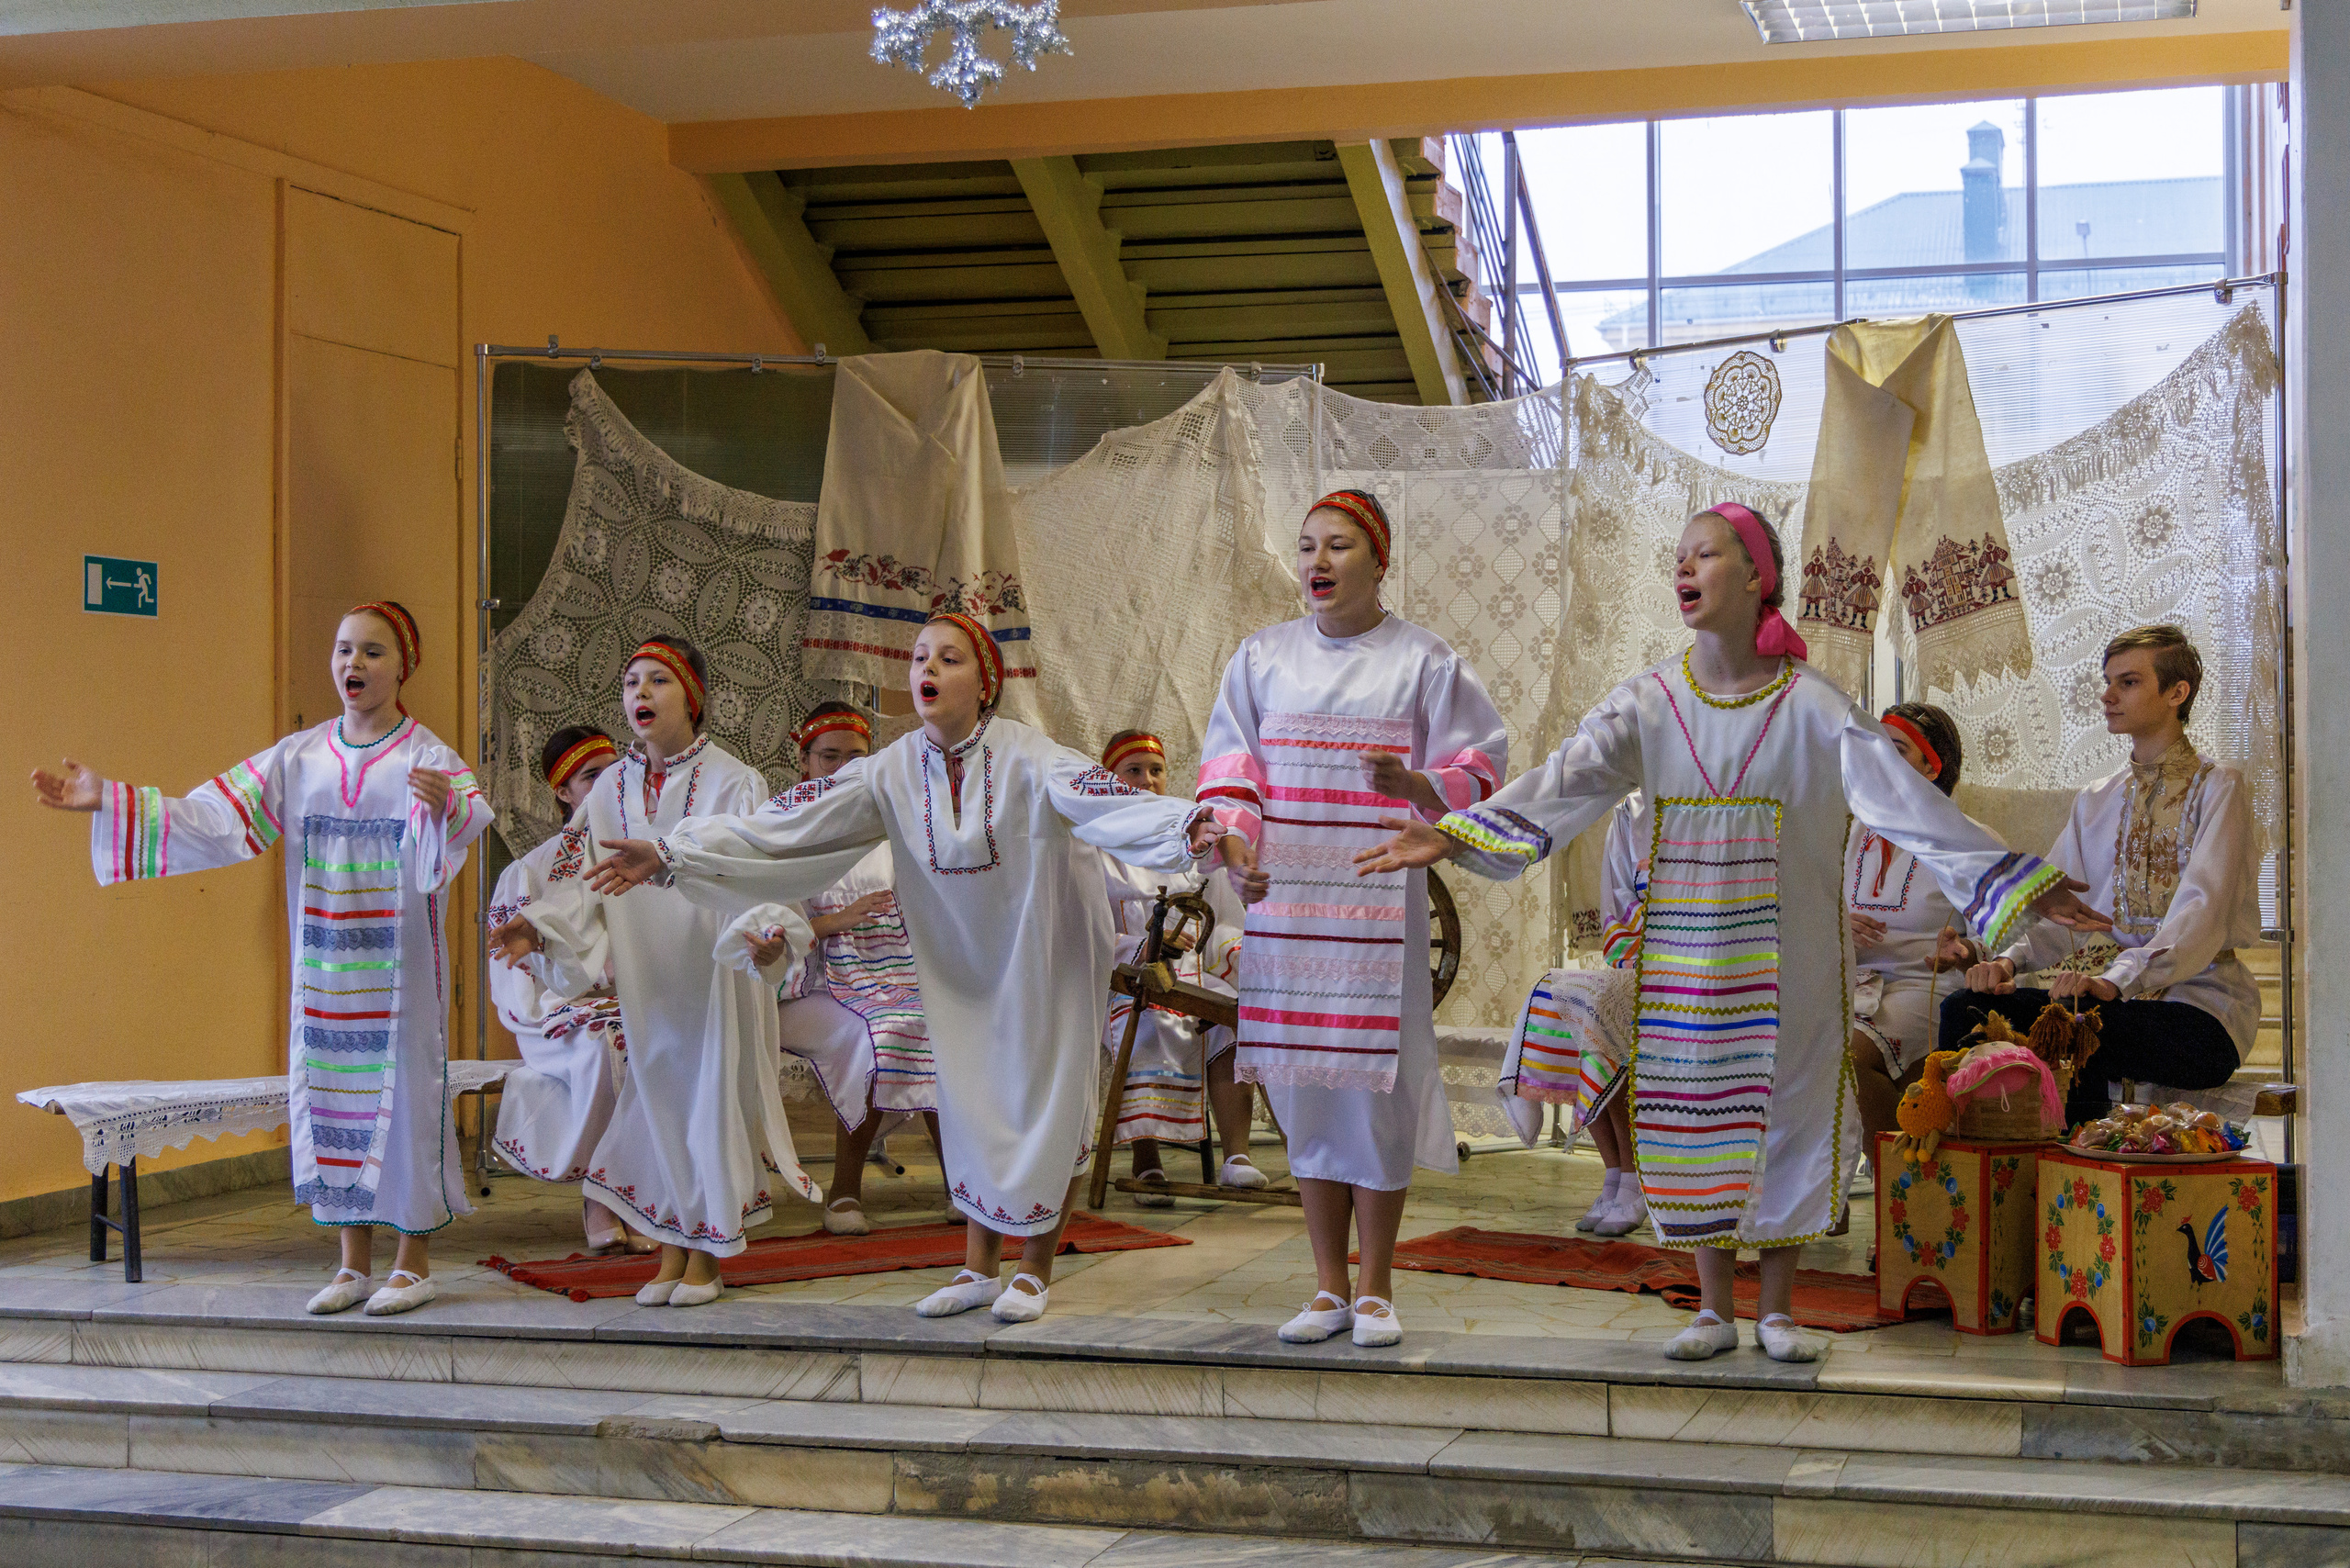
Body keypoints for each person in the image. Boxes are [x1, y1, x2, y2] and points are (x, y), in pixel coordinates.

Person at [1355, 502, 2108, 1362]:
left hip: (1791, 964)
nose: (1685, 569)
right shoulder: (1650, 704)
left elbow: (1909, 807)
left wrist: (2019, 880)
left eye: (1705, 555)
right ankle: (1713, 1308)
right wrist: (1449, 827)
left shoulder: (1817, 708)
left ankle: (1779, 1309)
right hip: (1687, 960)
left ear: (1757, 577)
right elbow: (1559, 787)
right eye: (1678, 557)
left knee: (1789, 1114)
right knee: (1689, 1115)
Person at [570, 611, 1226, 1324]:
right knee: (972, 1103)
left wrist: (1186, 825)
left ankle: (1034, 1269)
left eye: (948, 659)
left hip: (1040, 958)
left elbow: (1107, 803)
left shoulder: (1030, 755)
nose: (927, 670)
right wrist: (672, 854)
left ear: (986, 682)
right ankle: (978, 1268)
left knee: (1044, 1104)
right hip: (957, 969)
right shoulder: (891, 769)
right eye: (919, 658)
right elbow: (790, 822)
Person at [33, 601, 491, 1316]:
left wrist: (444, 810)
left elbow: (466, 826)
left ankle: (413, 1261)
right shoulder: (298, 757)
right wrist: (112, 803)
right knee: (335, 1104)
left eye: (372, 652)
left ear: (403, 666)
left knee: (401, 1105)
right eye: (343, 650)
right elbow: (217, 818)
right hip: (323, 974)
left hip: (398, 981)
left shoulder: (426, 756)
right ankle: (351, 1264)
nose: (353, 665)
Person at [1199, 487, 1507, 1350]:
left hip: (1379, 903)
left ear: (1379, 560)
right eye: (1306, 547)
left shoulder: (1424, 661)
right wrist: (1237, 846)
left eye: (1338, 546)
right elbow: (1233, 768)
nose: (1318, 563)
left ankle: (1377, 1288)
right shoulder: (1261, 658)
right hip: (1288, 908)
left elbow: (1483, 759)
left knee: (1375, 1095)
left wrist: (1424, 789)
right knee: (1305, 1091)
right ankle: (1326, 1287)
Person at [489, 637, 817, 1307]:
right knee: (662, 1105)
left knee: (707, 1103)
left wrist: (762, 934)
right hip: (649, 975)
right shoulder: (611, 787)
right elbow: (581, 879)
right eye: (632, 680)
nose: (641, 693)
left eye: (659, 680)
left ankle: (709, 1256)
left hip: (712, 967)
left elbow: (756, 868)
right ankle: (673, 1250)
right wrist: (539, 927)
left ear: (692, 696)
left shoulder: (735, 780)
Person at [1941, 625, 2258, 1124]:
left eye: (2127, 682)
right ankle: (1990, 1178)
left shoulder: (2220, 788)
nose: (2107, 696)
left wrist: (2115, 980)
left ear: (2178, 693)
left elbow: (2204, 911)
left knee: (2081, 1024)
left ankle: (2076, 1170)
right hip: (2101, 1004)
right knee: (1966, 1010)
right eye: (2107, 681)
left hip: (2199, 1011)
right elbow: (2060, 911)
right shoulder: (2096, 799)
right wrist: (2002, 962)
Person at [742, 701, 940, 1237]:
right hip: (798, 985)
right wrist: (838, 922)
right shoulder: (782, 822)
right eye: (829, 757)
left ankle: (962, 1185)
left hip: (885, 974)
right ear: (803, 760)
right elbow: (768, 924)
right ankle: (845, 1192)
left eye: (857, 757)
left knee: (936, 1024)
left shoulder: (886, 819)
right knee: (876, 1033)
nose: (843, 768)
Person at [485, 724, 655, 1253]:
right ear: (564, 792)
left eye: (615, 773)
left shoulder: (645, 854)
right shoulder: (530, 870)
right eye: (591, 776)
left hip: (635, 999)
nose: (608, 785)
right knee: (609, 1043)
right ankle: (601, 1193)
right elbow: (516, 974)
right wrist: (566, 992)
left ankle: (650, 1193)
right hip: (556, 1009)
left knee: (662, 1036)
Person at [1093, 729, 1265, 1203]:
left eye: (1156, 770)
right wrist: (1142, 948)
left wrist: (1233, 955)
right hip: (1126, 977)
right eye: (1134, 771)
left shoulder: (1192, 839)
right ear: (1111, 779)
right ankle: (1147, 1162)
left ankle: (1237, 1156)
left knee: (1235, 1020)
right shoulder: (1097, 847)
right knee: (1147, 1020)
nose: (1148, 780)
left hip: (1191, 971)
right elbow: (1089, 932)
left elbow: (1225, 919)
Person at [1501, 793, 1649, 1238]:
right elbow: (1618, 901)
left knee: (1606, 1011)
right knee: (1556, 995)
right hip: (1644, 959)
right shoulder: (1633, 811)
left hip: (1704, 970)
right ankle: (1614, 1172)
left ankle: (1634, 1179)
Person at [1847, 703, 1992, 1152]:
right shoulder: (1851, 832)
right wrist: (1834, 922)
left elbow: (2011, 935)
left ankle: (1898, 1184)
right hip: (1848, 981)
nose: (1878, 759)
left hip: (1925, 985)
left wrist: (1968, 948)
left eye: (1896, 749)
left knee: (1846, 1058)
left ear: (1932, 766)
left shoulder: (1967, 841)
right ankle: (1823, 1192)